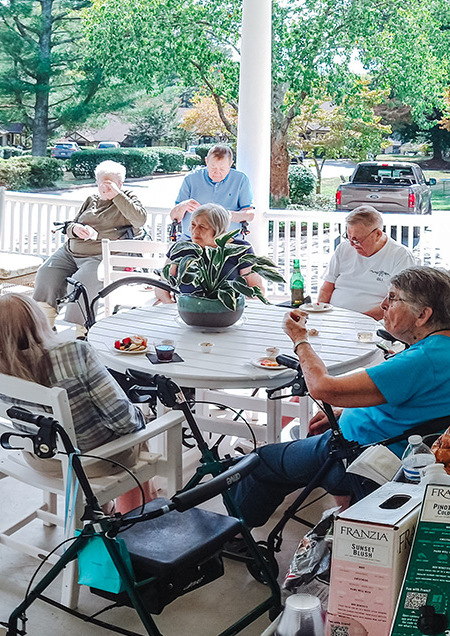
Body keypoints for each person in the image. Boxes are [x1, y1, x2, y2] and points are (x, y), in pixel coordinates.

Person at [230, 266, 450, 529]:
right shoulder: (439, 349)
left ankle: (235, 534)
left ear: (423, 315)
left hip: (361, 456)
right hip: (395, 447)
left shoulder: (423, 360)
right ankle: (346, 505)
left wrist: (300, 339)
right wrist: (346, 411)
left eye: (393, 298)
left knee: (260, 463)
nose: (383, 305)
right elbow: (417, 400)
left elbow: (324, 388)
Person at [0, 293, 146, 471]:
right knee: (139, 436)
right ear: (39, 319)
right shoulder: (76, 353)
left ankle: (103, 500)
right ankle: (144, 499)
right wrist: (140, 418)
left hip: (40, 459)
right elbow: (123, 420)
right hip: (89, 461)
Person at [31, 160, 147, 325]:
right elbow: (71, 224)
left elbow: (139, 220)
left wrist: (117, 195)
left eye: (110, 183)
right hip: (71, 252)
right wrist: (75, 229)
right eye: (101, 183)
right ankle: (40, 326)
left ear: (120, 184)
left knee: (79, 286)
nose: (105, 188)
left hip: (100, 256)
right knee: (45, 274)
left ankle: (76, 331)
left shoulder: (127, 199)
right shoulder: (91, 199)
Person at [155, 203, 268, 303]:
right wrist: (172, 305)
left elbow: (257, 289)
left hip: (227, 313)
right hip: (187, 311)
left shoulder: (241, 249)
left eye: (202, 227)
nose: (195, 231)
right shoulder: (180, 248)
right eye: (193, 225)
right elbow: (161, 287)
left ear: (219, 229)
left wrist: (237, 306)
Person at [318, 206, 415, 320]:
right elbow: (327, 287)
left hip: (375, 323)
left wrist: (360, 320)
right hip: (335, 318)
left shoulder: (401, 256)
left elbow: (398, 303)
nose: (352, 245)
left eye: (357, 240)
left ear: (378, 234)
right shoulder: (344, 248)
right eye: (348, 238)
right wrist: (320, 314)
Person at [171, 144, 255, 241]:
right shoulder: (191, 178)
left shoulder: (241, 179)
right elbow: (173, 216)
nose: (217, 172)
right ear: (206, 161)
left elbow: (250, 214)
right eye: (213, 168)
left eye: (222, 169)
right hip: (192, 241)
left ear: (231, 164)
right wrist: (184, 205)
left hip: (228, 242)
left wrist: (225, 215)